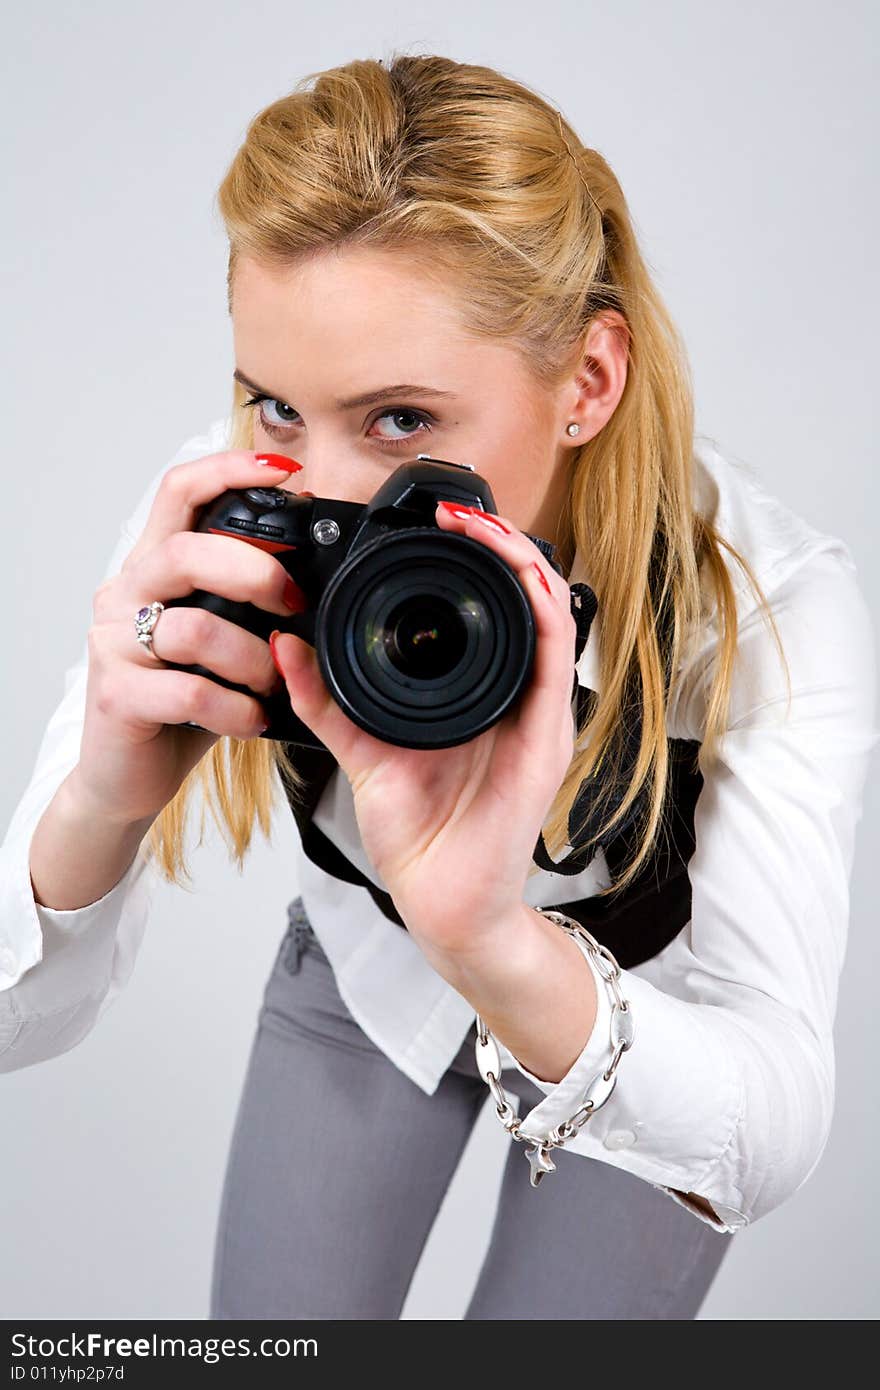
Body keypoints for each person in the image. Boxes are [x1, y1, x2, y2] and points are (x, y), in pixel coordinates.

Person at [1, 53, 877, 1321]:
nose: (333, 489)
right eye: (277, 406)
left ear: (586, 382)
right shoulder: (232, 514)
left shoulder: (772, 607)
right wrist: (99, 796)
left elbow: (769, 1124)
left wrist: (489, 938)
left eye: (402, 420)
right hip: (367, 968)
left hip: (640, 1011)